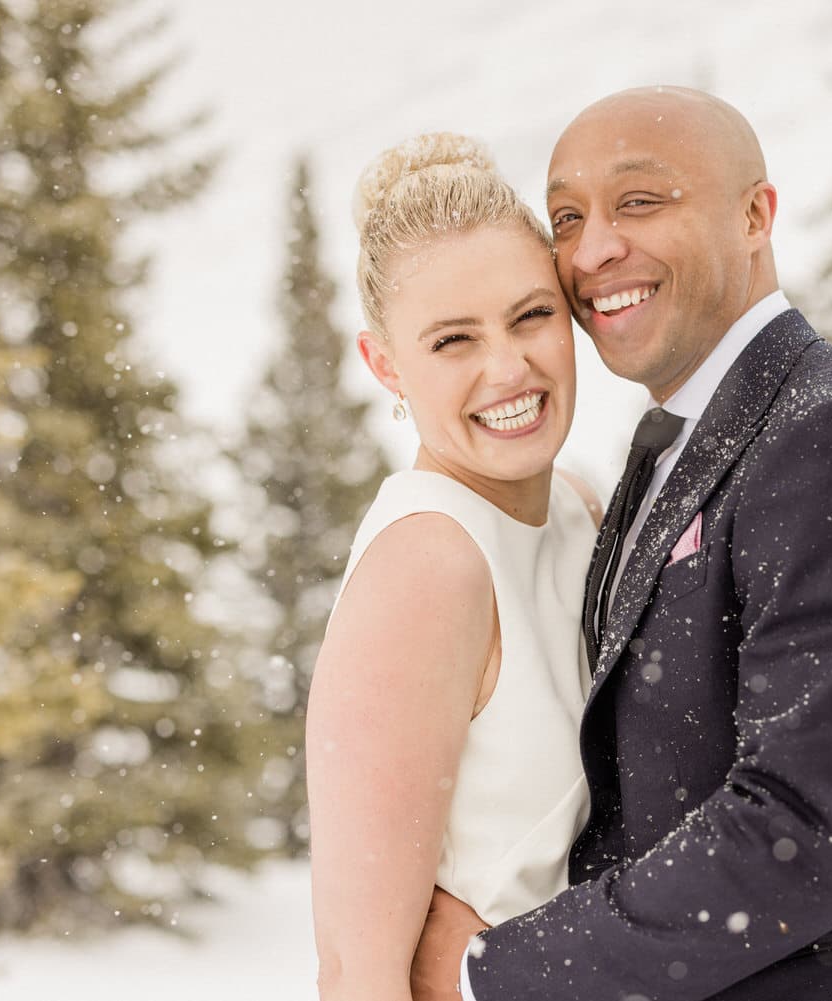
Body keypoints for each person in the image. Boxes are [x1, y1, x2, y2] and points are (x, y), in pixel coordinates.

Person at [412, 87, 832, 1001]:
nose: (594, 248)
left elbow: (798, 835)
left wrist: (493, 970)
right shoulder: (670, 446)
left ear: (756, 214)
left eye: (640, 202)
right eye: (567, 217)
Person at [304, 133, 604, 1001]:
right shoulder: (430, 565)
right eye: (453, 341)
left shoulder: (581, 507)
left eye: (531, 315)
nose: (507, 368)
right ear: (384, 364)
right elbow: (357, 972)